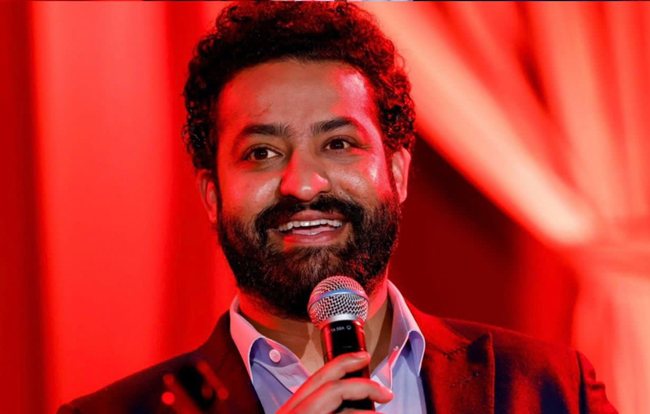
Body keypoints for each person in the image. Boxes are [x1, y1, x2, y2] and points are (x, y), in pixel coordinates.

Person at [58, 2, 617, 413]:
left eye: (339, 143)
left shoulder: (552, 389)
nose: (303, 184)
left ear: (397, 173)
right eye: (261, 152)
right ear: (212, 196)